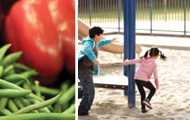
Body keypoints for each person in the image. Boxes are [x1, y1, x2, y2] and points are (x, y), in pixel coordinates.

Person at [78, 26, 116, 116]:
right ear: (96, 35)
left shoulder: (94, 42)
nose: (102, 36)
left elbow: (102, 43)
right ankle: (82, 111)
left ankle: (77, 96)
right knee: (90, 90)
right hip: (82, 69)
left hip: (86, 69)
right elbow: (86, 50)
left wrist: (110, 40)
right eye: (101, 35)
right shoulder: (89, 43)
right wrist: (95, 60)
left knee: (86, 89)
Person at [123, 47, 167, 113]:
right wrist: (157, 86)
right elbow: (156, 77)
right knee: (153, 89)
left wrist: (126, 62)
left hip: (137, 78)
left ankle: (143, 109)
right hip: (144, 79)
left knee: (143, 93)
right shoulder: (154, 64)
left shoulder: (144, 59)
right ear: (157, 55)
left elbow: (134, 61)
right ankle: (147, 100)